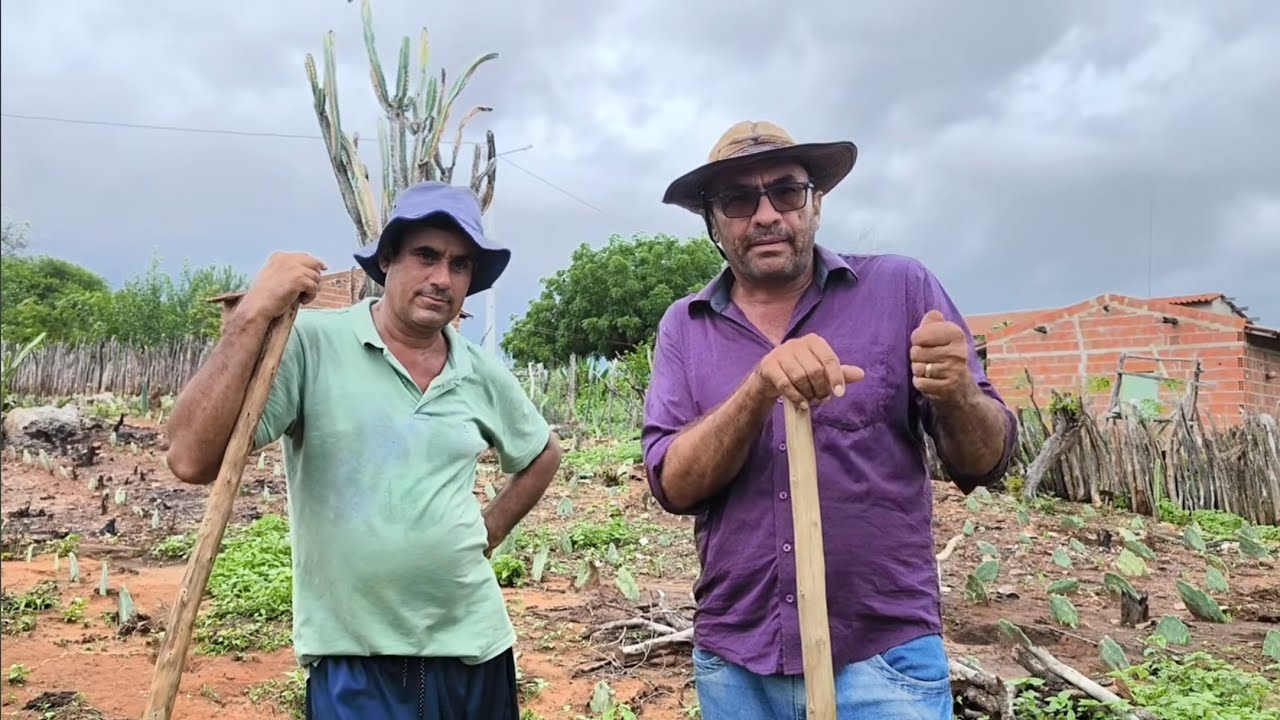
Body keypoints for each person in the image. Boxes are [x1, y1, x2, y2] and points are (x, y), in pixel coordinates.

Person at [641, 120, 1018, 719]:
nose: (766, 214)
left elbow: (985, 462)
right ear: (713, 222)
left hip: (884, 657)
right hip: (739, 662)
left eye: (786, 191)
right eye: (738, 199)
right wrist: (759, 387)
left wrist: (956, 396)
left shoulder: (901, 288)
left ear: (816, 204)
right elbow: (673, 484)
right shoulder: (685, 327)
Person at [165, 181, 562, 720]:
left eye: (460, 264)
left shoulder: (480, 372)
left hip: (474, 650)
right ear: (387, 260)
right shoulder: (311, 344)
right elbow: (190, 458)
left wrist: (486, 531)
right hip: (354, 658)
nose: (442, 278)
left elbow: (543, 454)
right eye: (426, 255)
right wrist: (252, 314)